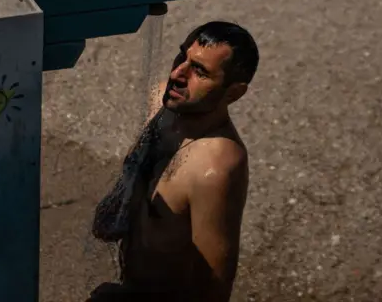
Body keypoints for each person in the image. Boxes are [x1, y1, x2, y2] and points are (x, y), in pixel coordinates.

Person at [89, 21, 259, 302]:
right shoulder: (161, 100)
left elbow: (214, 287)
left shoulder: (215, 168)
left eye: (200, 71)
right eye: (182, 57)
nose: (178, 73)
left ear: (233, 93)